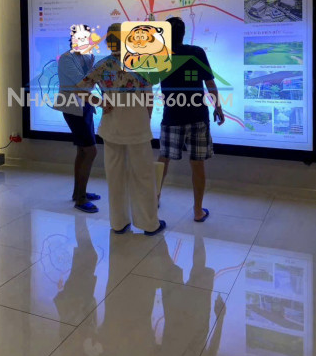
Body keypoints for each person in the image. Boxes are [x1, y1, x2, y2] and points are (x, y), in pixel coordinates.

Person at [77, 23, 165, 235]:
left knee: (115, 176)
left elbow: (79, 90)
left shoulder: (102, 65)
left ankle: (118, 223)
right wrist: (147, 117)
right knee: (143, 176)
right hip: (137, 125)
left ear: (109, 42)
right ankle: (149, 223)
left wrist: (100, 103)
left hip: (112, 126)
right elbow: (148, 98)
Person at [158, 16, 225, 222]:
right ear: (183, 33)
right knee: (197, 163)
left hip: (171, 115)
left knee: (163, 161)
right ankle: (197, 211)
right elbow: (210, 84)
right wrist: (218, 107)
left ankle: (153, 199)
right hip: (197, 116)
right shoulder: (197, 52)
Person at [57, 24, 101, 213]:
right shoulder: (67, 59)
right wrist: (101, 101)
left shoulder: (88, 56)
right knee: (90, 151)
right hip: (73, 107)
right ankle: (81, 199)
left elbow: (91, 84)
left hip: (85, 106)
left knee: (83, 151)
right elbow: (83, 85)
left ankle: (78, 193)